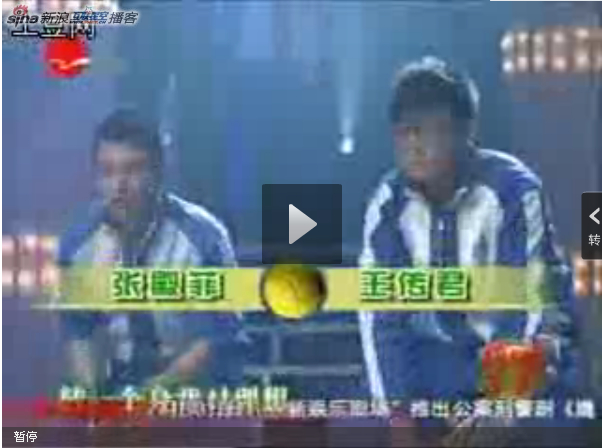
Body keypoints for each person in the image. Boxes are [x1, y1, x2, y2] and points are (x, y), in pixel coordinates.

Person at [358, 57, 582, 446]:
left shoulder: (513, 189)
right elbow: (381, 320)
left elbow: (526, 306)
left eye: (430, 130)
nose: (415, 145)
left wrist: (500, 406)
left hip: (526, 350)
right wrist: (398, 419)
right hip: (441, 366)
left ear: (466, 131)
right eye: (406, 132)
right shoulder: (387, 204)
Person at [58, 108, 248, 402]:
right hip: (121, 386)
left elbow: (215, 339)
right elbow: (78, 333)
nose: (118, 186)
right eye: (107, 172)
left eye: (132, 170)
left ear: (158, 171)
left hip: (198, 393)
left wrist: (149, 397)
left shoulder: (203, 235)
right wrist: (92, 401)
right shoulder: (78, 242)